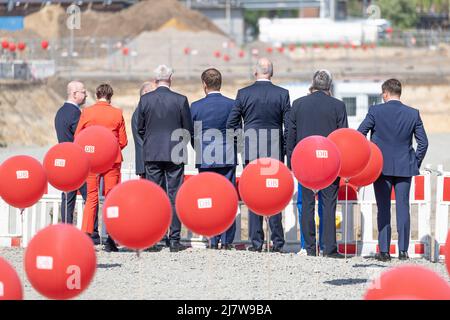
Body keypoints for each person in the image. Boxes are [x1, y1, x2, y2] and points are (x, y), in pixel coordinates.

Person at [358, 79, 428, 262]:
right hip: (405, 166)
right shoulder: (413, 113)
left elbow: (359, 134)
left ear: (385, 93)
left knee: (383, 208)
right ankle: (403, 251)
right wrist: (415, 161)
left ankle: (384, 251)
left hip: (381, 167)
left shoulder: (375, 111)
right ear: (399, 93)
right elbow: (423, 143)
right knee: (403, 208)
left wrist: (369, 158)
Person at [227, 57, 291, 253]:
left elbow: (232, 123)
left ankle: (256, 243)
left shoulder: (243, 93)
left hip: (251, 149)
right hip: (274, 150)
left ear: (255, 73)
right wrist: (285, 151)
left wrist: (241, 144)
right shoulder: (282, 94)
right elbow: (288, 127)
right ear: (272, 73)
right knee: (274, 193)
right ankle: (278, 242)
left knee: (252, 194)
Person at [286, 70, 348, 258]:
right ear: (329, 86)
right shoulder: (338, 106)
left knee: (307, 205)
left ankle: (310, 249)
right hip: (329, 162)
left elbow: (290, 136)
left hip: (305, 162)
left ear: (312, 84)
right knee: (328, 205)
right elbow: (343, 136)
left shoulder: (298, 104)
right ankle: (329, 248)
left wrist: (291, 162)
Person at [137, 65, 194, 253]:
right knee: (175, 195)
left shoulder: (145, 100)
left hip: (153, 152)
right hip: (175, 151)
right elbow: (188, 129)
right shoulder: (180, 100)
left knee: (155, 196)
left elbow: (140, 128)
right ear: (170, 78)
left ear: (156, 79)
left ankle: (155, 238)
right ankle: (174, 239)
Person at [75, 84, 128, 252]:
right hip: (111, 160)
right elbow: (123, 141)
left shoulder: (87, 112)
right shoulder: (117, 113)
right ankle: (111, 239)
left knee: (91, 198)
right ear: (110, 96)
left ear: (96, 95)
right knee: (112, 198)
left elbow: (78, 137)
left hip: (91, 160)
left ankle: (86, 235)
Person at [191, 68, 237, 250]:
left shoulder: (195, 107)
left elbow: (190, 133)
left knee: (208, 198)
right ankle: (226, 241)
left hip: (205, 157)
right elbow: (237, 132)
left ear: (204, 85)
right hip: (227, 155)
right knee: (227, 198)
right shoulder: (232, 104)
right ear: (220, 83)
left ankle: (211, 238)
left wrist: (200, 149)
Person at [54, 81, 100, 244]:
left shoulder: (60, 112)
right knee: (91, 197)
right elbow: (83, 137)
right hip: (79, 163)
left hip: (64, 162)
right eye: (83, 92)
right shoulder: (76, 114)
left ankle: (66, 230)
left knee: (68, 198)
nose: (86, 94)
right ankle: (92, 233)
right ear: (74, 94)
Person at [132, 81, 155, 178]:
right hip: (148, 162)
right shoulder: (141, 112)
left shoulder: (142, 110)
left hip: (148, 162)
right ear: (146, 93)